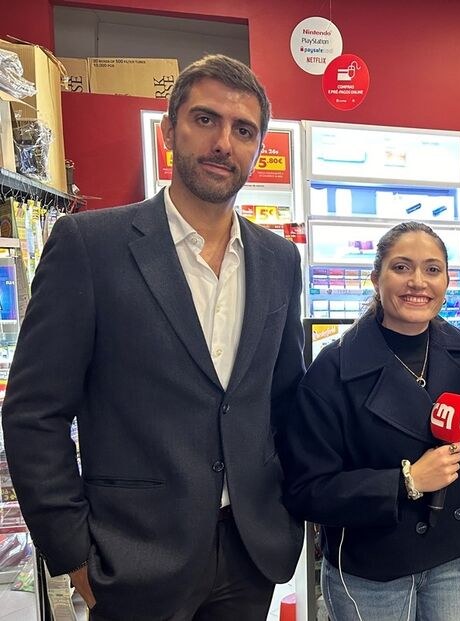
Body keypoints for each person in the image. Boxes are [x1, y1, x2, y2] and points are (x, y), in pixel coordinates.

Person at [1, 55, 304, 620]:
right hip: (133, 558)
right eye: (205, 119)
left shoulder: (279, 259)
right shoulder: (90, 246)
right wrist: (73, 552)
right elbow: (33, 413)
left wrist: (287, 514)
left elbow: (285, 401)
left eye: (244, 131)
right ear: (169, 130)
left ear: (259, 148)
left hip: (249, 555)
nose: (224, 143)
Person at [279, 221, 460, 620]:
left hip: (455, 561)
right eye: (401, 267)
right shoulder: (334, 370)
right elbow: (306, 489)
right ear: (376, 278)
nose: (418, 282)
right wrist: (405, 482)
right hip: (370, 570)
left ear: (447, 282)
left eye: (432, 269)